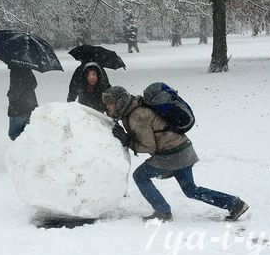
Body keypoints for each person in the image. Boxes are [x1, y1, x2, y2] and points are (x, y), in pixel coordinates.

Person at [101, 86, 249, 222]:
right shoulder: (136, 107)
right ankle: (234, 204)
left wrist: (127, 140)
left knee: (140, 176)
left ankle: (163, 212)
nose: (107, 108)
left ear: (119, 102)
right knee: (191, 190)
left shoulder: (137, 115)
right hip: (184, 149)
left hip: (171, 154)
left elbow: (148, 146)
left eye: (110, 103)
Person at [7, 64, 38, 141]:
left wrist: (10, 94)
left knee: (14, 134)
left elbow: (16, 90)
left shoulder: (15, 70)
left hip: (18, 107)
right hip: (31, 105)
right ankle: (27, 150)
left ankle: (20, 151)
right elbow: (34, 83)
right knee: (28, 132)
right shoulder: (27, 67)